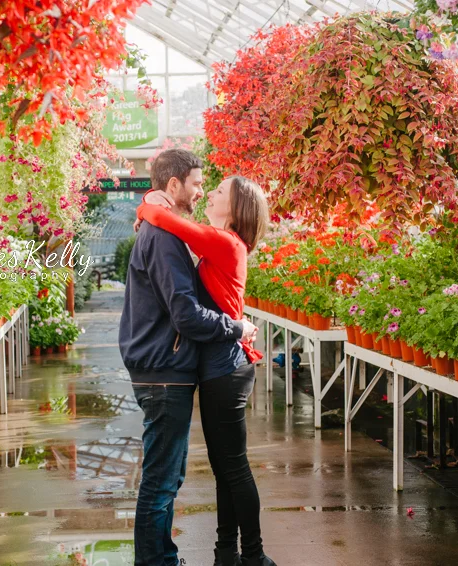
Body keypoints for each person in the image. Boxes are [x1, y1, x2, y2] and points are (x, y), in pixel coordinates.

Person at [119, 149, 258, 566]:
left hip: (174, 365)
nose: (202, 191)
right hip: (164, 368)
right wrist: (237, 327)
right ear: (174, 185)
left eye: (210, 187)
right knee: (163, 480)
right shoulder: (163, 236)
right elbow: (185, 314)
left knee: (172, 476)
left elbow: (171, 222)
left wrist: (149, 205)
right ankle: (160, 561)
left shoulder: (178, 233)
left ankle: (174, 557)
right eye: (198, 184)